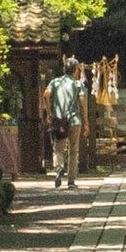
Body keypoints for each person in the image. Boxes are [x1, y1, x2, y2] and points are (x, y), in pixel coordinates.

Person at [45, 60, 89, 190]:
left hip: (59, 120)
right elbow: (82, 104)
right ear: (76, 69)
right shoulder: (77, 84)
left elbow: (46, 95)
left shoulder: (55, 82)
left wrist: (49, 113)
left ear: (64, 69)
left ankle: (59, 168)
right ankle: (71, 181)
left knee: (58, 148)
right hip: (74, 121)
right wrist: (86, 123)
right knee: (73, 150)